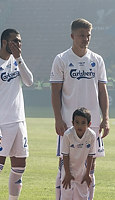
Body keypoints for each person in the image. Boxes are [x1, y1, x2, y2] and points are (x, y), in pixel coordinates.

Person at [50, 18, 109, 200]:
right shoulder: (61, 59)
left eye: (88, 35)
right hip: (69, 122)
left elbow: (102, 90)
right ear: (72, 36)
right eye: (82, 35)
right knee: (64, 161)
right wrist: (58, 118)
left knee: (91, 164)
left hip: (93, 123)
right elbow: (55, 91)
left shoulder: (97, 59)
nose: (86, 39)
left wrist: (106, 118)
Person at [0, 28, 33, 200]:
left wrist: (18, 58)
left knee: (19, 169)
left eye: (20, 40)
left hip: (19, 122)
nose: (19, 44)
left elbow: (29, 81)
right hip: (0, 123)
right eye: (15, 41)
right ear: (4, 42)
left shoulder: (16, 61)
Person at [61, 107, 96, 200]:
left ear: (89, 124)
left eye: (83, 123)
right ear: (72, 123)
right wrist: (67, 174)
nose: (79, 126)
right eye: (77, 122)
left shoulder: (91, 135)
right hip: (67, 171)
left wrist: (87, 173)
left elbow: (90, 155)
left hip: (82, 172)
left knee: (82, 196)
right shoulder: (68, 134)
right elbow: (65, 155)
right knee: (66, 196)